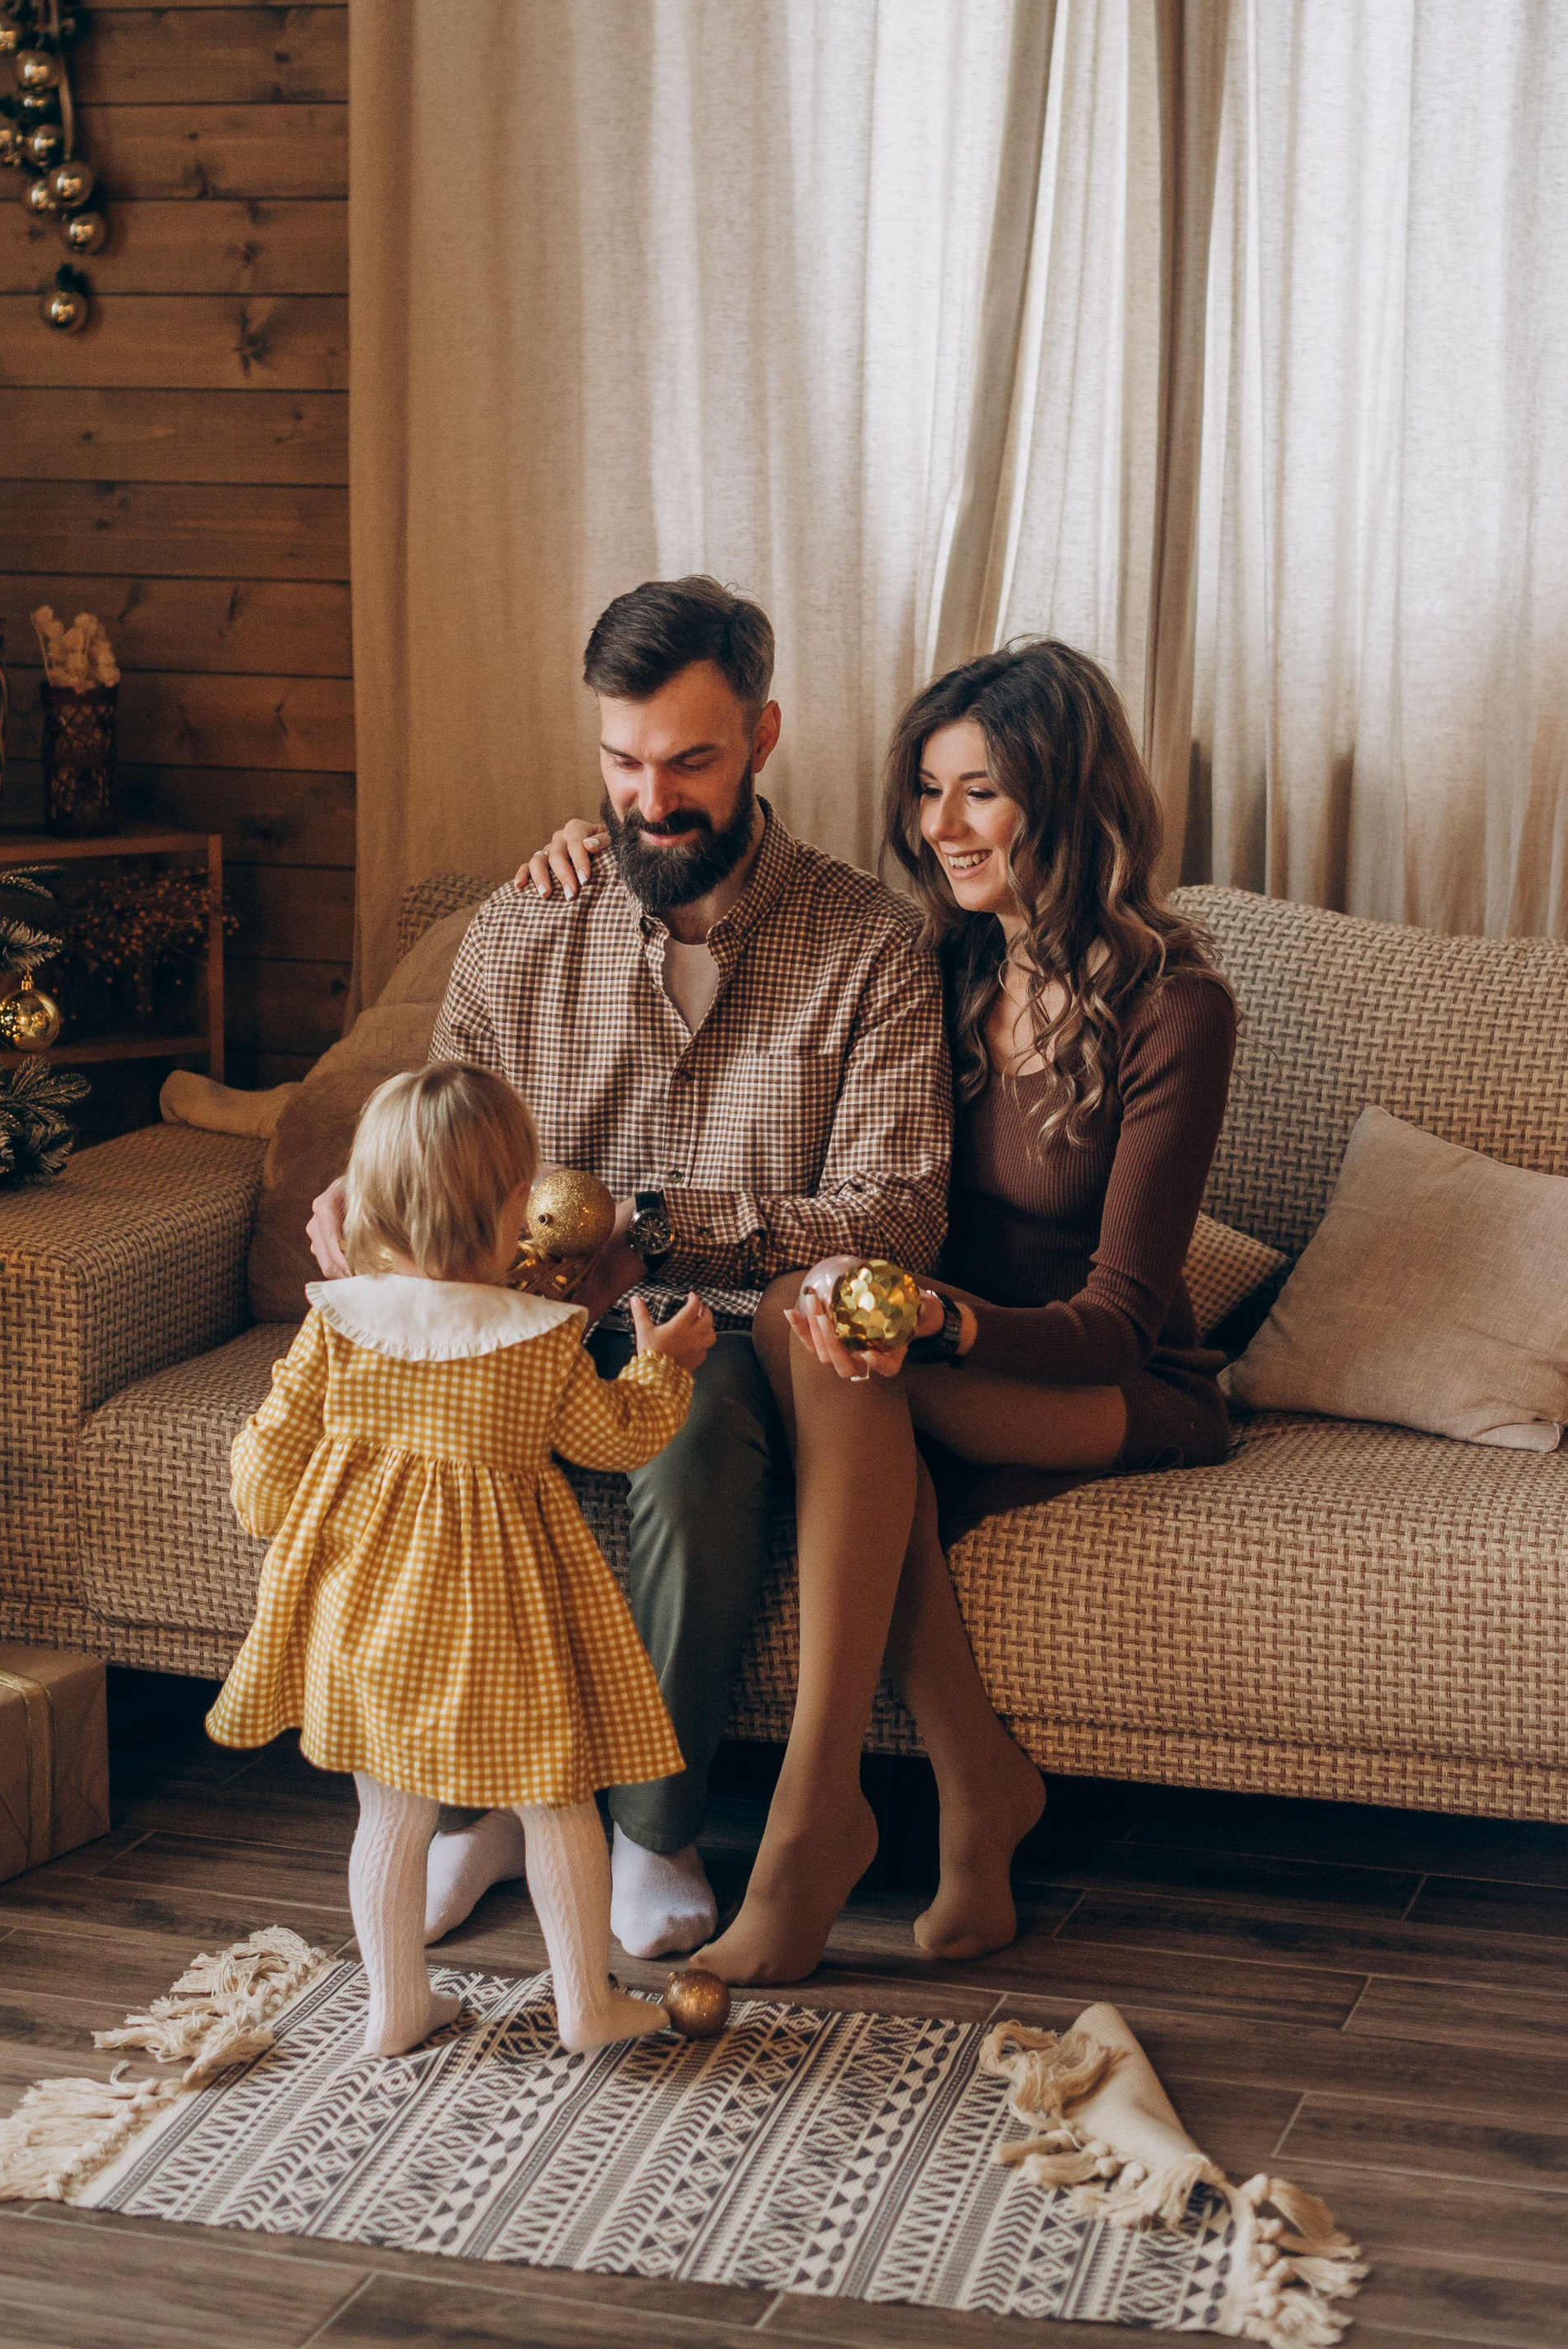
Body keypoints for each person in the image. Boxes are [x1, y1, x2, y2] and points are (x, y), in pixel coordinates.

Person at [521, 640, 1237, 1988]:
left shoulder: (1177, 1006)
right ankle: (976, 1787)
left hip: (1108, 1382)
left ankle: (812, 1828)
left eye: (980, 792)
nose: (938, 826)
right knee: (828, 1348)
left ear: (1068, 800)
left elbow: (1121, 1317)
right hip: (898, 1346)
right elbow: (701, 891)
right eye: (927, 789)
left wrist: (938, 1322)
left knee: (821, 1325)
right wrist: (589, 846)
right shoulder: (938, 963)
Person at [308, 576, 954, 1962]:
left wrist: (653, 1222)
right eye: (621, 760)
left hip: (724, 1334)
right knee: (438, 1431)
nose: (649, 798)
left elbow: (894, 1220)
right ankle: (479, 1802)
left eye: (688, 762)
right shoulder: (521, 926)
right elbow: (439, 1145)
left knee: (690, 1431)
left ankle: (651, 1828)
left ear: (764, 735)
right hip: (517, 1324)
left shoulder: (871, 944)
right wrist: (366, 1203)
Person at [208, 1060, 715, 2057]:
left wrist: (268, 1504)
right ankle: (587, 2005)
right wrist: (664, 1370)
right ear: (507, 1208)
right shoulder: (537, 1338)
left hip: (368, 1616)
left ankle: (395, 2005)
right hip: (507, 1619)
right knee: (558, 1805)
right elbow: (612, 1440)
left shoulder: (339, 1324)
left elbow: (269, 1460)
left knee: (391, 1817)